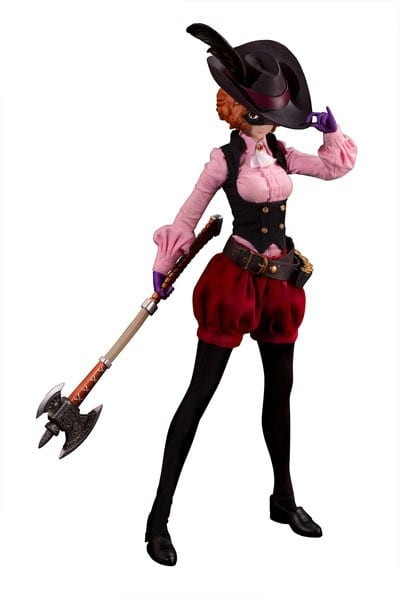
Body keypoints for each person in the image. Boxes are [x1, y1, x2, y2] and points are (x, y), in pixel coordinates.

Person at [145, 23, 357, 566]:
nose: (268, 120)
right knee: (199, 395)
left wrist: (330, 130)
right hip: (234, 285)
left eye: (273, 112)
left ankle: (283, 499)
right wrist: (166, 264)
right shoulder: (223, 160)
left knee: (280, 394)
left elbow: (335, 167)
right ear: (237, 109)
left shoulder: (283, 154)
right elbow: (188, 216)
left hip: (280, 285)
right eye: (259, 111)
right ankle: (158, 517)